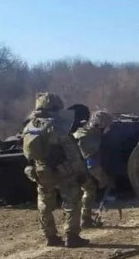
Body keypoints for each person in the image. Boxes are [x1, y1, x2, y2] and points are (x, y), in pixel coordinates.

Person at [21, 92, 90, 247]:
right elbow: (71, 152)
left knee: (44, 202)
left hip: (40, 169)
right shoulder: (55, 125)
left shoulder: (30, 125)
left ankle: (50, 237)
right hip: (62, 170)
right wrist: (81, 172)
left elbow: (27, 151)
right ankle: (72, 236)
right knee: (72, 200)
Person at [73, 110, 115, 227]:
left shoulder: (83, 132)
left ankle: (84, 217)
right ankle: (85, 220)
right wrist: (103, 180)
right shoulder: (89, 139)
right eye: (106, 126)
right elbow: (92, 166)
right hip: (75, 169)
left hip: (73, 166)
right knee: (89, 189)